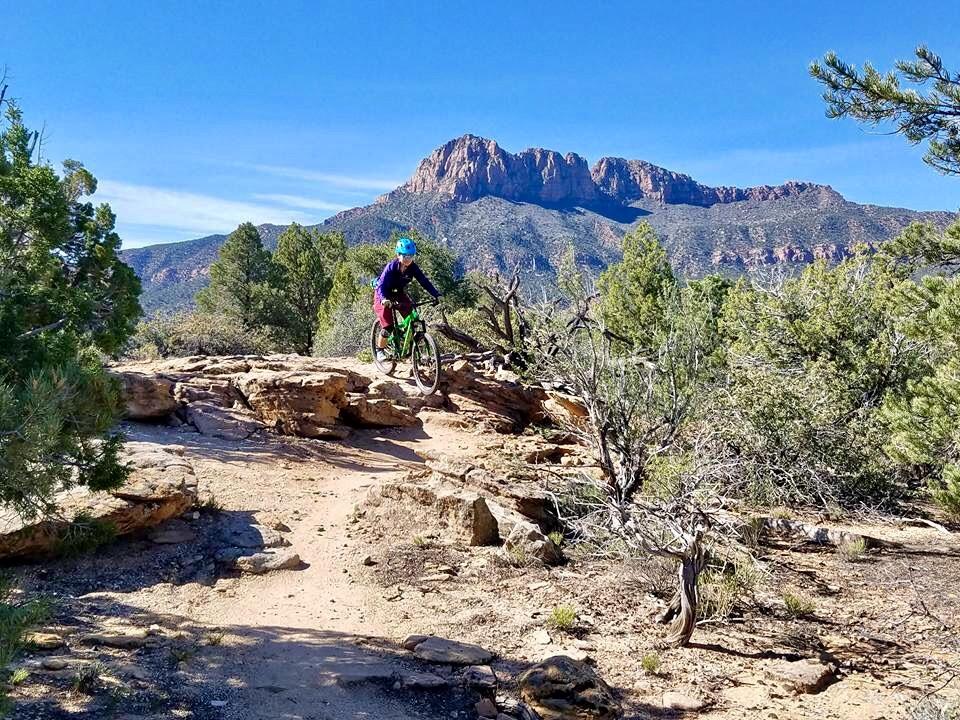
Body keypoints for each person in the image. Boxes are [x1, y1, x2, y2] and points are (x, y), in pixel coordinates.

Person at [373, 236, 440, 362]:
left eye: (411, 255)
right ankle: (379, 350)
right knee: (388, 326)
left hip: (398, 293)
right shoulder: (391, 267)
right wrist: (383, 299)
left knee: (413, 317)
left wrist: (436, 294)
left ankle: (409, 345)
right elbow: (381, 285)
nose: (408, 259)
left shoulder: (413, 267)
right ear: (398, 255)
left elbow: (423, 281)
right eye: (405, 255)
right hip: (383, 294)